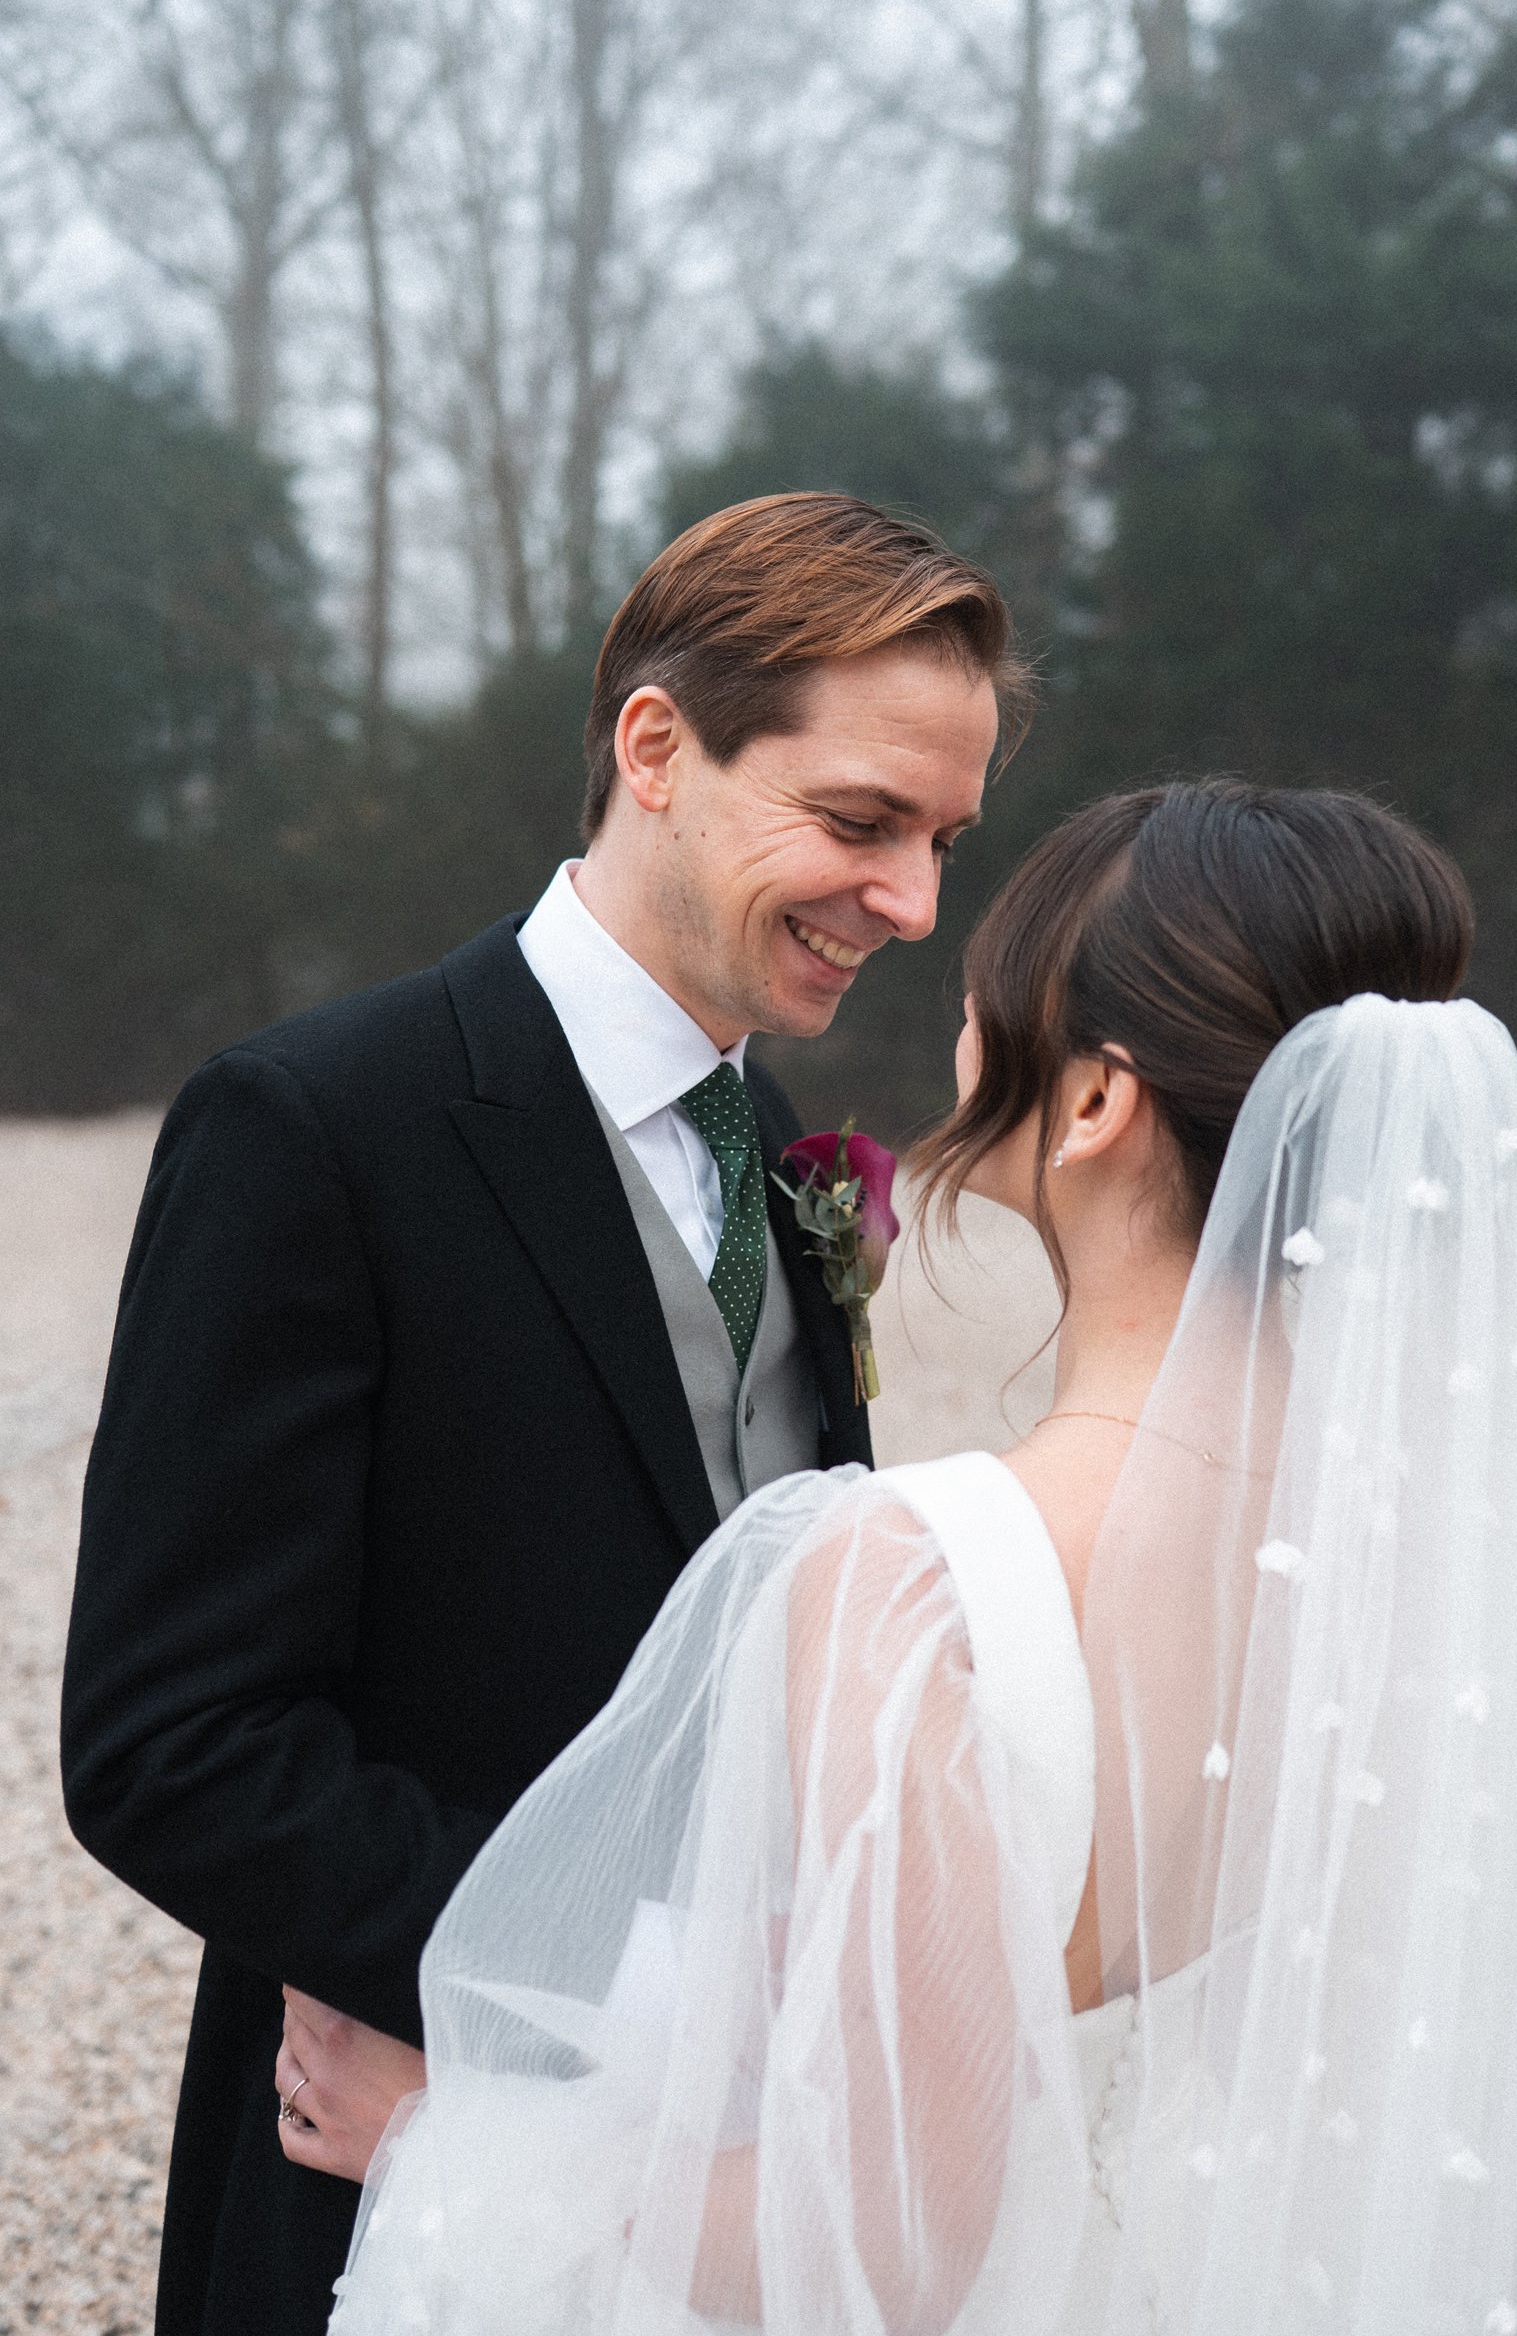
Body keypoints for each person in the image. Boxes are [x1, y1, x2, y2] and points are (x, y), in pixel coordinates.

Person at [323, 778, 1517, 2336]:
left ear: (1100, 1103)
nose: (954, 990)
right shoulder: (1407, 1559)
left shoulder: (922, 1582)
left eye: (999, 968)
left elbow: (885, 2239)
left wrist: (443, 2145)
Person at [60, 491, 1031, 2336]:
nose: (912, 905)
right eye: (859, 823)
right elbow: (168, 1743)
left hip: (729, 2209)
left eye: (942, 843)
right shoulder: (313, 1129)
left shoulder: (785, 1167)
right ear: (655, 749)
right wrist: (626, 1993)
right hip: (386, 2181)